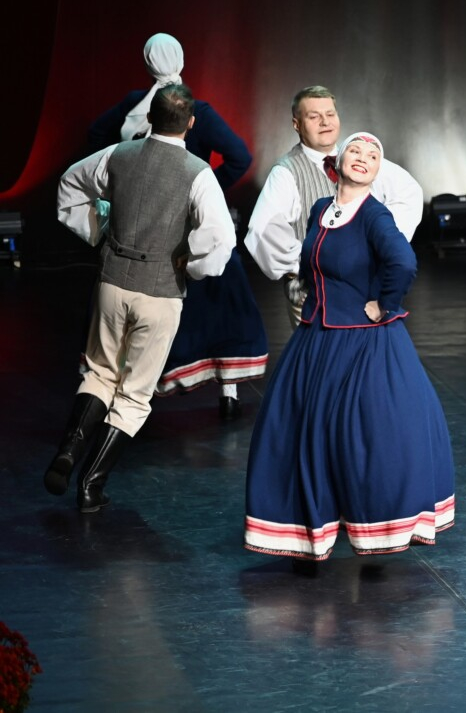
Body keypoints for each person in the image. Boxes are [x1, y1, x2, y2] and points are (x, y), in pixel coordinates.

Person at [243, 132, 455, 564]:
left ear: (379, 170)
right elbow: (314, 261)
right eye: (354, 151)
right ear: (335, 164)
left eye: (373, 154)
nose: (363, 158)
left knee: (367, 434)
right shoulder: (323, 209)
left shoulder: (375, 216)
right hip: (317, 338)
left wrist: (385, 304)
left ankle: (375, 522)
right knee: (301, 430)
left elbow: (404, 262)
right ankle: (313, 523)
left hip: (364, 341)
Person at [46, 84, 235, 512]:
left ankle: (70, 449)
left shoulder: (117, 155)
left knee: (98, 372)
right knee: (134, 394)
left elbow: (69, 188)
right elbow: (221, 239)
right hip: (160, 292)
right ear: (190, 123)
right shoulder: (198, 172)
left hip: (112, 282)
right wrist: (194, 266)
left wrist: (96, 232)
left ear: (149, 117)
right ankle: (90, 485)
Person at [85, 33, 267, 419]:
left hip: (141, 225)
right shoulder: (194, 107)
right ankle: (227, 388)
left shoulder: (136, 106)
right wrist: (207, 188)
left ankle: (129, 393)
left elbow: (96, 137)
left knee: (139, 305)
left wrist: (118, 183)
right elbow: (239, 155)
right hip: (190, 224)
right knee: (218, 302)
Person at [245, 86, 425, 329]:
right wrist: (305, 264)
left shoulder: (357, 155)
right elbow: (262, 230)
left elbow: (408, 192)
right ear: (297, 125)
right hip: (314, 296)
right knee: (319, 362)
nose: (325, 122)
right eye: (314, 116)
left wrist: (379, 248)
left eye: (330, 114)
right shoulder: (287, 171)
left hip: (361, 293)